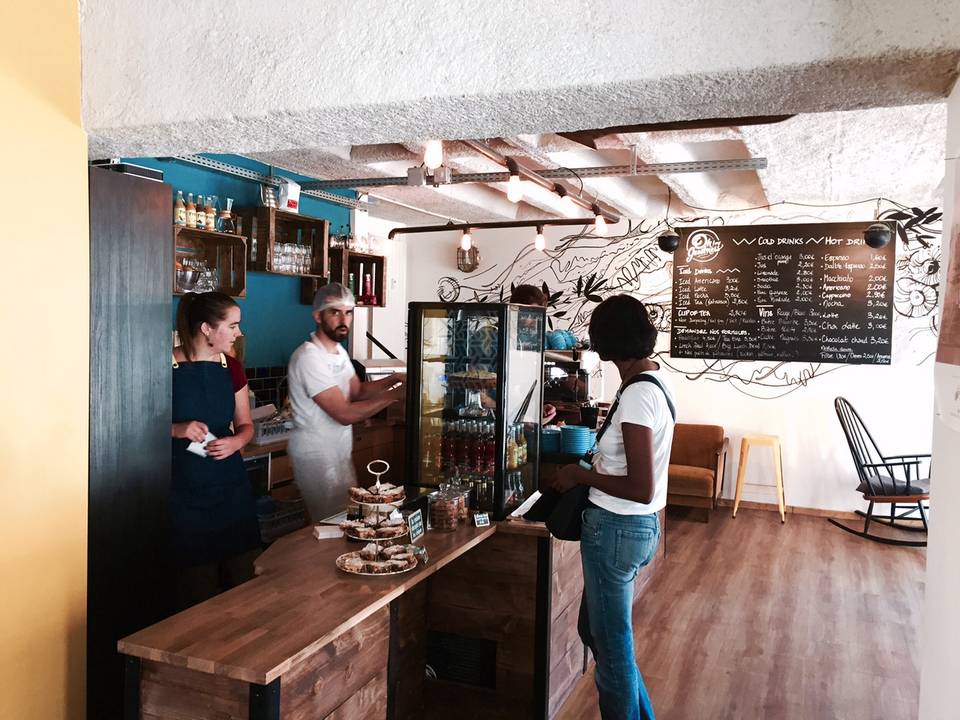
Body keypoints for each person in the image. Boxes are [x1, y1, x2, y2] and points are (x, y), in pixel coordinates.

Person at [550, 294, 676, 720]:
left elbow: (640, 486)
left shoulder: (638, 395)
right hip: (634, 528)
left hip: (617, 528)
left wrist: (578, 474)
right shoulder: (652, 381)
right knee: (596, 631)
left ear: (608, 340)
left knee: (612, 647)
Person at [170, 292, 261, 610]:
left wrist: (237, 442)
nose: (239, 333)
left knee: (246, 577)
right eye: (233, 326)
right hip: (185, 491)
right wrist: (177, 429)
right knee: (197, 589)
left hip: (230, 487)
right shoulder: (164, 366)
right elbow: (135, 428)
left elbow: (246, 425)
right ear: (206, 328)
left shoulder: (231, 368)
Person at [287, 283, 405, 521]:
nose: (344, 320)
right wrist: (395, 395)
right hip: (316, 456)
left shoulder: (338, 352)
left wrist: (395, 379)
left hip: (338, 452)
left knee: (348, 518)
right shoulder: (309, 357)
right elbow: (344, 414)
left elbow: (357, 391)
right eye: (335, 312)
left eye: (348, 312)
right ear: (318, 316)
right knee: (331, 524)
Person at [509, 284, 557, 424]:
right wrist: (519, 416)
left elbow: (519, 390)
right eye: (527, 314)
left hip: (516, 423)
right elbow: (480, 394)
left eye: (535, 316)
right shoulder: (493, 335)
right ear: (514, 309)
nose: (531, 321)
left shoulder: (526, 342)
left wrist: (537, 410)